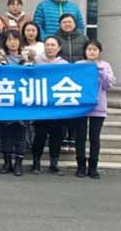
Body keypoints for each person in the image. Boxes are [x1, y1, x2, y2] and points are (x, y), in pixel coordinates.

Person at [75, 40, 115, 179]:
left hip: (98, 106)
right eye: (89, 49)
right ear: (85, 51)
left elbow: (108, 85)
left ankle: (93, 167)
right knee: (80, 137)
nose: (92, 52)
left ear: (99, 51)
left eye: (95, 49)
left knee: (94, 138)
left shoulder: (105, 65)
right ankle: (81, 166)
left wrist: (101, 72)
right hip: (81, 106)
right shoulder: (79, 65)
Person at [30, 36, 69, 174]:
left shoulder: (65, 64)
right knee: (39, 135)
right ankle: (36, 163)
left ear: (59, 48)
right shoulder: (36, 61)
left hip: (58, 107)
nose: (50, 48)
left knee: (56, 136)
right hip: (41, 106)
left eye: (53, 45)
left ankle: (54, 163)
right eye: (47, 45)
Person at [56, 13, 89, 150]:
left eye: (70, 22)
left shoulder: (83, 38)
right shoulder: (55, 38)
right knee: (62, 108)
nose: (67, 24)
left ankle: (73, 136)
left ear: (75, 24)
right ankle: (63, 137)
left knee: (76, 108)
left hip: (78, 78)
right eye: (64, 22)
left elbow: (88, 55)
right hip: (60, 78)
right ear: (60, 24)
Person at [0, 30, 27, 177]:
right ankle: (7, 162)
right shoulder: (0, 59)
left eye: (15, 39)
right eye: (9, 40)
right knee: (6, 135)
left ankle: (18, 164)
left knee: (20, 135)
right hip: (5, 100)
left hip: (23, 102)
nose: (12, 42)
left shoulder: (28, 59)